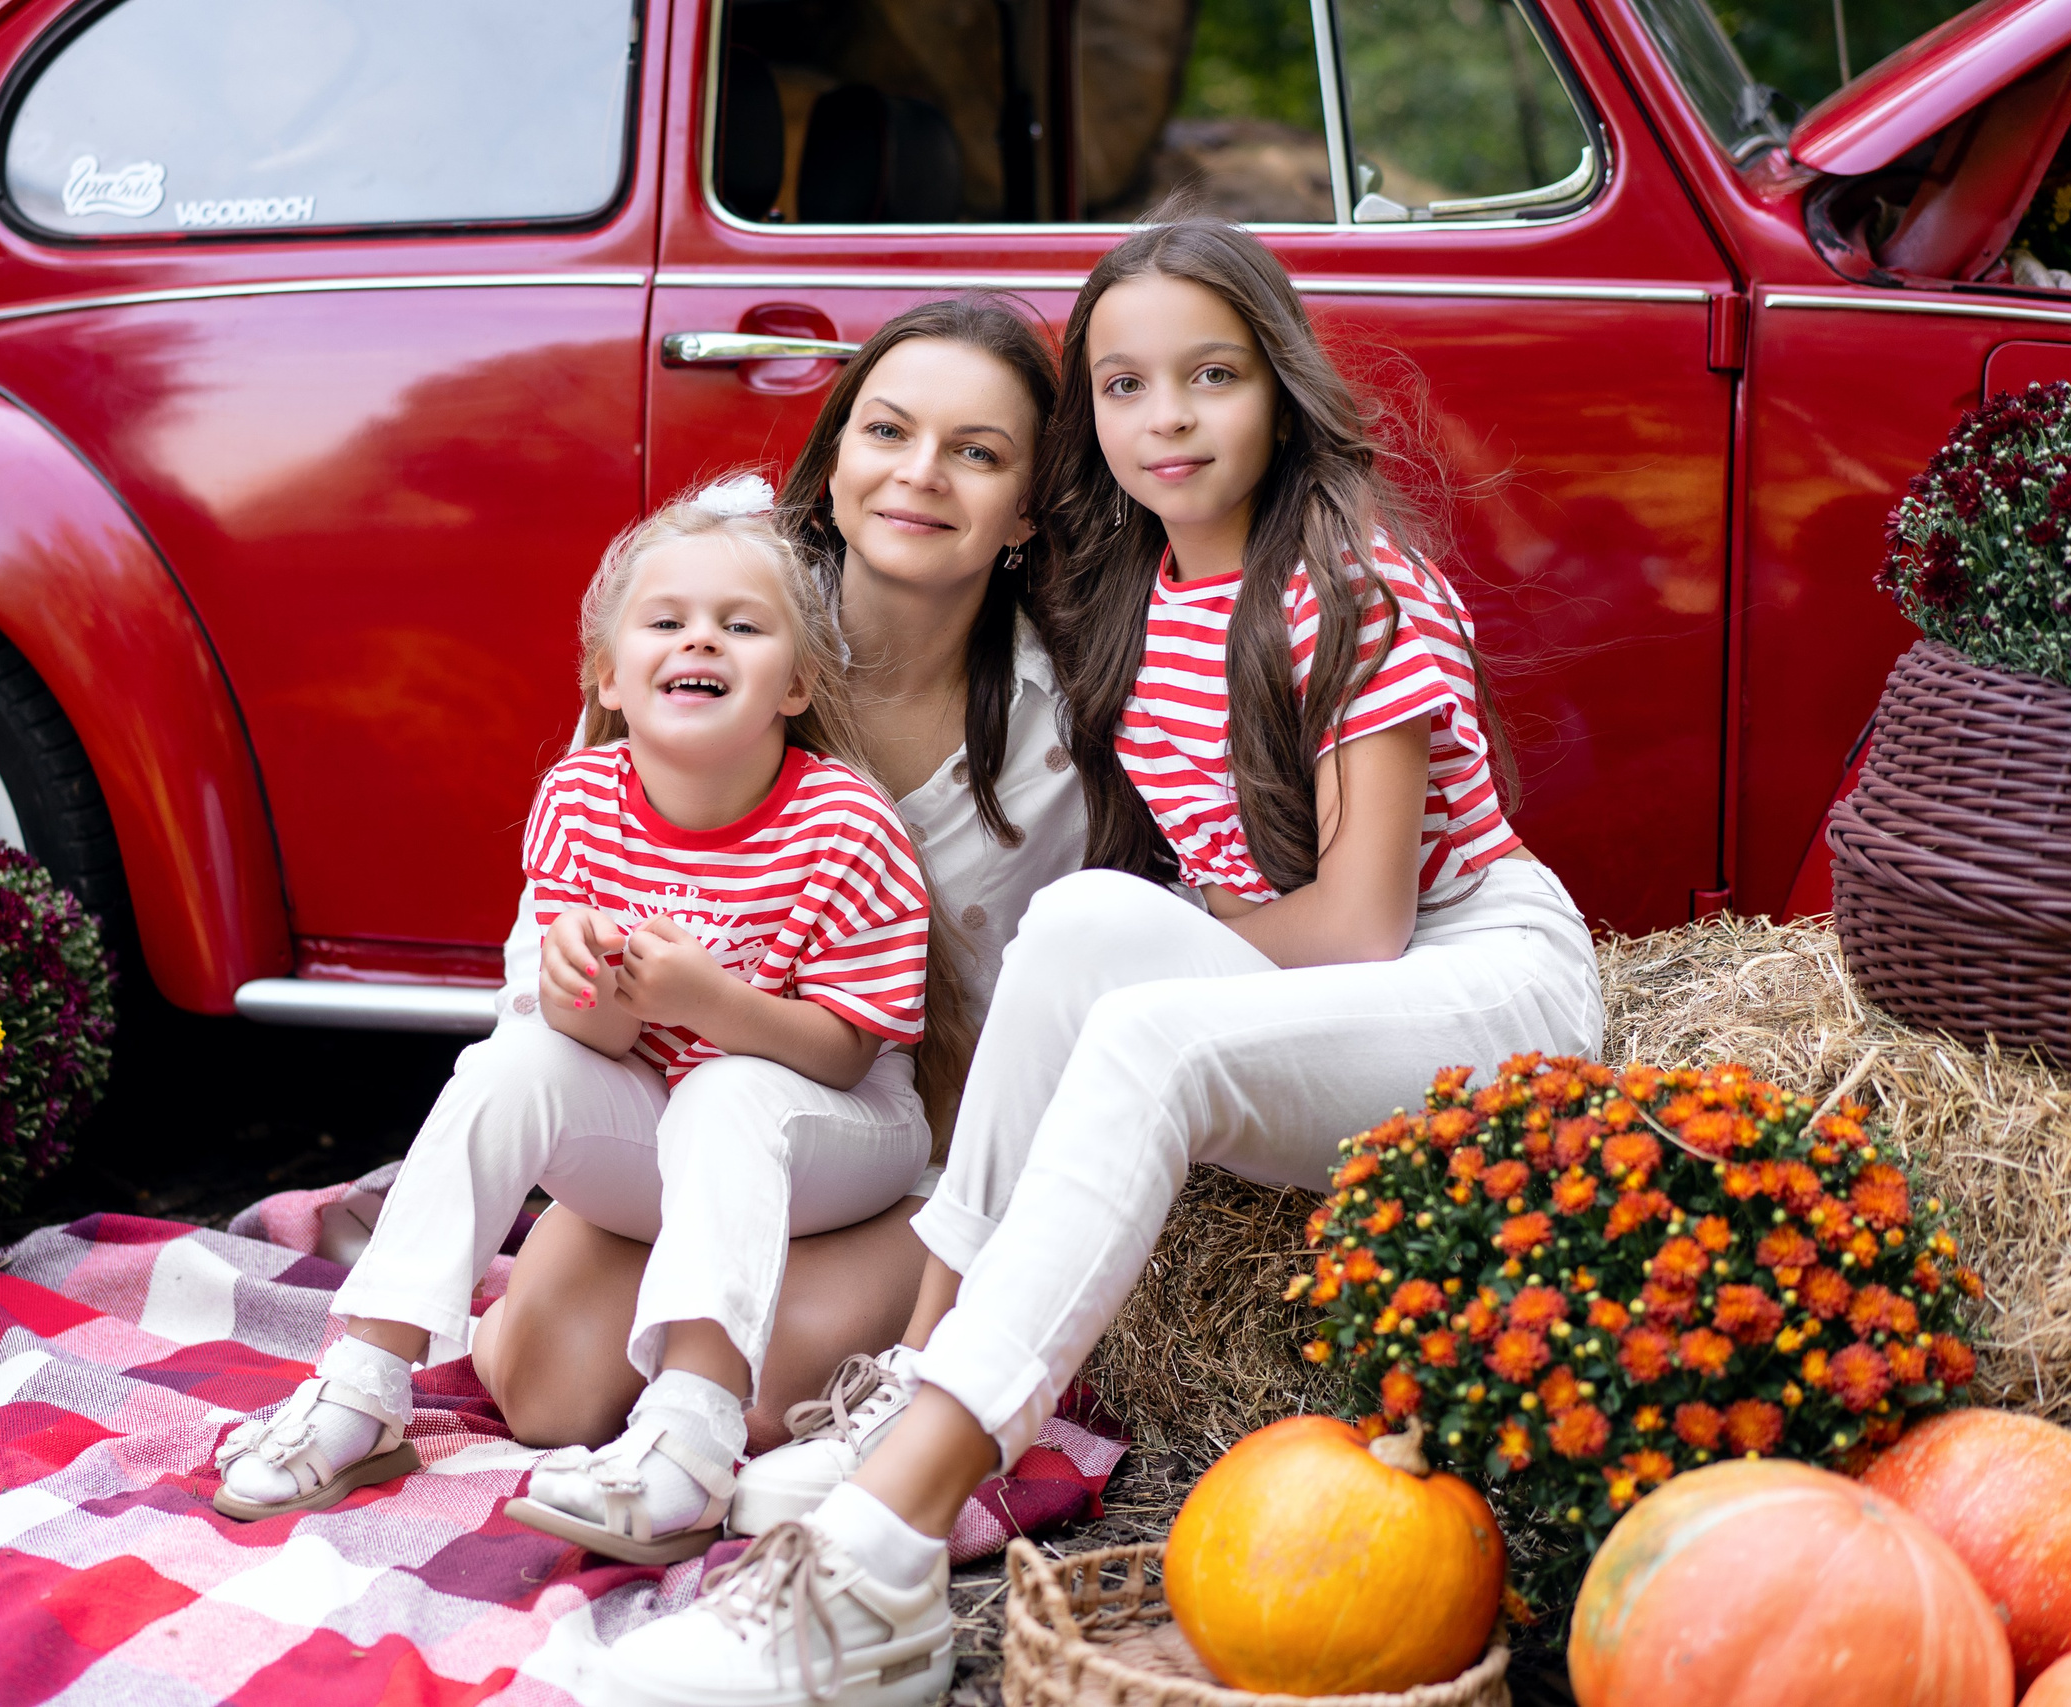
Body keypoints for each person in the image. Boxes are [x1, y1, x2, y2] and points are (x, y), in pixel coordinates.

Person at [597, 215, 1605, 1706]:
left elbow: (1355, 928)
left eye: (1211, 376)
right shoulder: (1143, 595)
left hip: (1477, 977)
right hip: (1325, 980)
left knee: (1142, 1023)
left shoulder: (1360, 584)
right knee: (1076, 922)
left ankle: (879, 1553)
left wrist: (1166, 968)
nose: (1168, 418)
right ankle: (905, 1385)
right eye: (1123, 386)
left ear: (1282, 387)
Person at [213, 487, 938, 1566]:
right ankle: (363, 1383)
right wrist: (580, 997)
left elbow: (845, 1048)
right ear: (608, 675)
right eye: (666, 621)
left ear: (795, 683)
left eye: (741, 624)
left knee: (728, 1087)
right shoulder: (580, 801)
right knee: (514, 1062)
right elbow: (592, 1050)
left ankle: (688, 1438)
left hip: (833, 1136)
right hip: (663, 1135)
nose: (700, 637)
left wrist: (712, 1006)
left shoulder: (843, 824)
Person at [469, 297, 1085, 1472]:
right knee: (549, 1393)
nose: (919, 476)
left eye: (976, 452)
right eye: (887, 432)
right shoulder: (725, 621)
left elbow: (1040, 1022)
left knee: (760, 1388)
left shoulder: (1054, 739)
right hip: (659, 1120)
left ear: (1022, 514)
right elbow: (572, 888)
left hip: (883, 1155)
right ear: (838, 458)